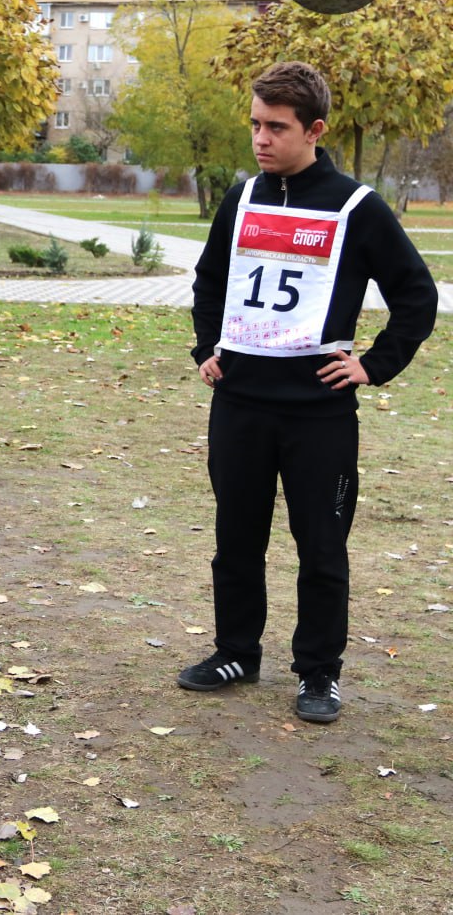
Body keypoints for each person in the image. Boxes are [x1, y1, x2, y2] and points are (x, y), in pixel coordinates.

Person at [181, 61, 438, 724]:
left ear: (314, 130)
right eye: (255, 125)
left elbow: (416, 294)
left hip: (319, 415)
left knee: (320, 548)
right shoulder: (240, 200)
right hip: (239, 404)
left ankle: (318, 673)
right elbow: (210, 280)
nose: (261, 139)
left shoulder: (357, 207)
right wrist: (208, 346)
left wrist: (374, 365)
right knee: (235, 538)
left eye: (276, 127)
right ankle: (236, 652)